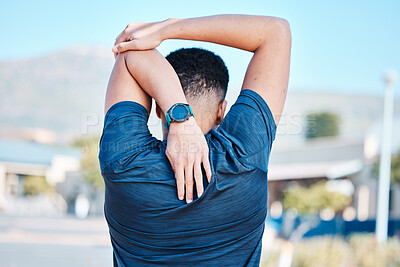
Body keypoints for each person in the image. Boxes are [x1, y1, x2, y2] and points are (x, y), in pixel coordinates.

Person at [99, 14, 291, 266]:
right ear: (222, 110)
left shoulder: (123, 162)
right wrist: (165, 28)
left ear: (158, 108)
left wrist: (179, 116)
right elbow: (276, 31)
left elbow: (129, 52)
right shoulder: (244, 155)